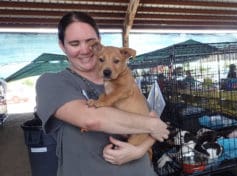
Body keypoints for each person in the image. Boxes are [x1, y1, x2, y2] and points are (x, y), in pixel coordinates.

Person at [35, 11, 169, 176]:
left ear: (99, 43)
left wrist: (139, 150)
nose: (85, 50)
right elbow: (91, 119)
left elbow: (158, 127)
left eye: (90, 42)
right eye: (75, 44)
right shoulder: (52, 82)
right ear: (62, 46)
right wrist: (151, 125)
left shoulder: (123, 81)